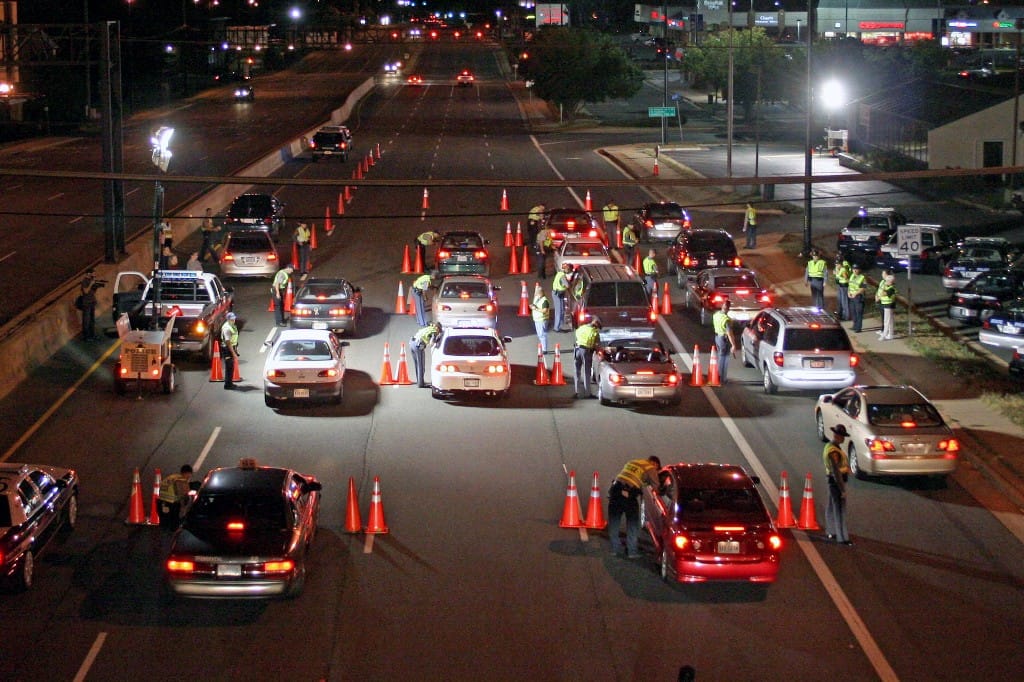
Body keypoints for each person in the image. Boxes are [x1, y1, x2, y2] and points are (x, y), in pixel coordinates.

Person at [607, 456, 662, 558]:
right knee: (632, 523)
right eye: (657, 468)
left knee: (614, 522)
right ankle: (631, 551)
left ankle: (614, 549)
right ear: (655, 464)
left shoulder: (633, 462)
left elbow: (633, 477)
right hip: (628, 493)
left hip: (615, 490)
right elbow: (656, 487)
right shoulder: (651, 468)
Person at [823, 424, 852, 545]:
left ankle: (831, 531)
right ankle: (842, 538)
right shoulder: (833, 451)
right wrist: (842, 489)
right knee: (839, 510)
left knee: (831, 507)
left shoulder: (829, 446)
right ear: (837, 436)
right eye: (842, 436)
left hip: (832, 481)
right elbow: (836, 472)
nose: (843, 438)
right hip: (836, 483)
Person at [573, 316, 601, 399]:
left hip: (577, 350)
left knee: (577, 371)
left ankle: (577, 392)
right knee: (587, 372)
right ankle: (587, 393)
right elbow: (596, 345)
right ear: (596, 323)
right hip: (586, 351)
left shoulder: (582, 328)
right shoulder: (594, 332)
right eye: (598, 326)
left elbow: (576, 336)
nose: (598, 328)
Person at [158, 464, 193, 528]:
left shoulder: (171, 477)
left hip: (160, 503)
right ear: (187, 473)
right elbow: (182, 494)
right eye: (189, 476)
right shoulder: (181, 480)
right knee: (174, 525)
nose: (188, 478)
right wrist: (184, 506)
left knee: (164, 524)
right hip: (171, 504)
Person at [712, 299, 738, 382]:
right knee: (724, 358)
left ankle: (719, 376)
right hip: (724, 339)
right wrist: (733, 345)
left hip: (717, 338)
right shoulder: (726, 320)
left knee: (720, 356)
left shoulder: (716, 315)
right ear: (728, 308)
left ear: (722, 306)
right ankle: (722, 378)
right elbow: (729, 333)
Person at [410, 321, 441, 388]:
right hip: (418, 345)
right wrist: (437, 340)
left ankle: (419, 381)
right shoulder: (434, 331)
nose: (438, 332)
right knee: (421, 365)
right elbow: (431, 343)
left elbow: (428, 323)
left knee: (417, 364)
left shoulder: (429, 327)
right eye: (439, 331)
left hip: (412, 342)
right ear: (437, 328)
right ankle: (421, 384)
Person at [551, 263, 573, 332]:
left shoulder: (560, 273)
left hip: (558, 293)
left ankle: (559, 326)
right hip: (557, 294)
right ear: (568, 270)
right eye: (570, 270)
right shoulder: (562, 276)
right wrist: (570, 282)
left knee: (562, 310)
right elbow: (567, 285)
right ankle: (557, 328)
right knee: (559, 311)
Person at [221, 312, 240, 389]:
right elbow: (228, 342)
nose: (233, 320)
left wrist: (236, 348)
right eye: (232, 319)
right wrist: (233, 353)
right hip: (227, 349)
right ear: (228, 319)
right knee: (229, 367)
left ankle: (230, 383)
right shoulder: (227, 328)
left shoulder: (232, 326)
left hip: (232, 347)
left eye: (234, 319)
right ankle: (228, 385)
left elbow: (234, 338)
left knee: (231, 367)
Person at [531, 283, 552, 354]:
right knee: (540, 334)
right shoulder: (537, 298)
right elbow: (535, 296)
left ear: (541, 293)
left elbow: (544, 310)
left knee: (542, 335)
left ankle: (544, 349)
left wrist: (535, 309)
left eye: (537, 293)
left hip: (542, 320)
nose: (536, 294)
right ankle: (543, 347)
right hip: (537, 320)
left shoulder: (544, 301)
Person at [876, 270, 897, 340]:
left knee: (886, 321)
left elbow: (883, 293)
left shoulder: (891, 288)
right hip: (887, 305)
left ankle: (884, 335)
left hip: (888, 305)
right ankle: (890, 334)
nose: (886, 282)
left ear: (890, 282)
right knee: (890, 320)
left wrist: (884, 289)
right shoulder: (889, 287)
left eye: (887, 281)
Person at [847, 264, 867, 333]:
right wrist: (848, 292)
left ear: (859, 270)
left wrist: (855, 294)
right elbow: (850, 285)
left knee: (859, 312)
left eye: (856, 269)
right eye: (853, 269)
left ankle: (858, 328)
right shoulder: (852, 276)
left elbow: (863, 288)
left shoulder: (862, 278)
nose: (854, 270)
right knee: (853, 312)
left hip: (859, 297)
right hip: (852, 296)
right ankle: (854, 325)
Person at [834, 256, 852, 321]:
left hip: (844, 286)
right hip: (841, 285)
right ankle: (843, 315)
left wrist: (839, 275)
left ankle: (846, 316)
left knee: (845, 302)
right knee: (842, 301)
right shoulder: (839, 269)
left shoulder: (843, 269)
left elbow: (846, 278)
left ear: (840, 264)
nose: (836, 265)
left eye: (837, 264)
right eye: (836, 264)